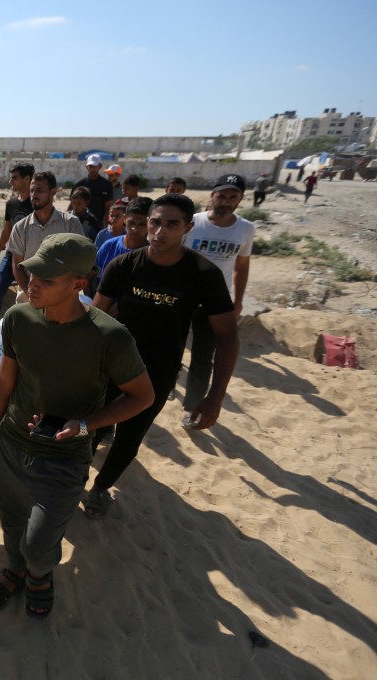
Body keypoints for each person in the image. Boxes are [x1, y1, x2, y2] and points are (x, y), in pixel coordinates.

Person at [0, 233, 154, 618]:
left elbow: (142, 397)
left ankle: (40, 575)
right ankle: (16, 570)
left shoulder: (110, 336)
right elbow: (5, 380)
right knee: (11, 525)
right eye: (30, 274)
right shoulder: (18, 318)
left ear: (79, 283)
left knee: (40, 544)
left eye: (46, 280)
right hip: (10, 447)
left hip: (63, 459)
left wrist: (86, 424)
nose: (31, 285)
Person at [85, 194, 238, 518]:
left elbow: (227, 337)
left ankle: (100, 488)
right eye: (155, 222)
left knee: (130, 436)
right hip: (109, 364)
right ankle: (74, 480)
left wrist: (215, 395)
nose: (159, 231)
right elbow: (94, 320)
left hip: (157, 372)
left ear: (187, 227)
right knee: (90, 428)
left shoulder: (203, 274)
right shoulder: (123, 265)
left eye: (171, 224)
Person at [181, 174, 254, 420]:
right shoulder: (192, 223)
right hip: (183, 296)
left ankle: (191, 406)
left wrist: (238, 300)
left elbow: (241, 266)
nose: (226, 202)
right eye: (221, 196)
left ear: (240, 199)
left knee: (203, 356)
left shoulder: (245, 229)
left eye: (232, 197)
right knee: (170, 347)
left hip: (214, 302)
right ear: (212, 196)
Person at [6, 171, 86, 296]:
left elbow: (79, 261)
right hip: (28, 297)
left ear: (53, 192)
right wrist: (30, 292)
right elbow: (17, 266)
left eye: (39, 190)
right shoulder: (20, 228)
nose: (34, 195)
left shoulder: (70, 223)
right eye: (32, 190)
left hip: (62, 298)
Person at [0, 163, 34, 333]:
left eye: (15, 177)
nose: (10, 181)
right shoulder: (12, 204)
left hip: (32, 255)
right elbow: (7, 229)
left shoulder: (37, 204)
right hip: (11, 254)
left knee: (32, 293)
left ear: (27, 179)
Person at [90, 197, 152, 293]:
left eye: (142, 224)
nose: (135, 228)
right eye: (131, 223)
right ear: (125, 219)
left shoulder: (153, 255)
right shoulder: (108, 246)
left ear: (151, 223)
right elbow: (91, 276)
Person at [74, 154, 114, 226]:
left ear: (100, 166)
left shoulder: (106, 185)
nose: (92, 169)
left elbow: (107, 207)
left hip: (98, 224)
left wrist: (105, 225)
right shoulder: (79, 184)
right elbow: (72, 204)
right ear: (87, 167)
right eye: (90, 166)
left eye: (95, 166)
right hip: (79, 223)